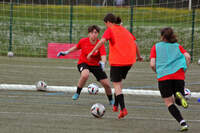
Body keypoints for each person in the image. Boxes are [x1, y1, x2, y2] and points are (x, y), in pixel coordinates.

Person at [87, 13, 143, 119]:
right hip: (129, 61)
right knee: (119, 83)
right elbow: (135, 44)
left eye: (105, 24)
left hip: (118, 62)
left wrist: (92, 51)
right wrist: (139, 57)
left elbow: (102, 41)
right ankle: (116, 105)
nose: (106, 26)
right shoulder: (124, 29)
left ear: (108, 22)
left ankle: (123, 109)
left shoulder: (110, 30)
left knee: (117, 86)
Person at [57, 25, 114, 105]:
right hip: (84, 63)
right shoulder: (83, 41)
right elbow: (76, 47)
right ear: (89, 34)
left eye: (96, 32)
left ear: (98, 34)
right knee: (85, 75)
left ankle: (111, 100)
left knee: (106, 84)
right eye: (92, 32)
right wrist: (66, 52)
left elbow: (103, 57)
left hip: (96, 65)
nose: (94, 34)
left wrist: (103, 63)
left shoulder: (100, 44)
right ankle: (77, 93)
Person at [150, 27, 191, 131]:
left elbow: (152, 64)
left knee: (169, 103)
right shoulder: (178, 46)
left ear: (162, 36)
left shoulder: (156, 47)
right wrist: (184, 68)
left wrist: (158, 71)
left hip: (164, 77)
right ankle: (181, 98)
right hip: (178, 75)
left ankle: (183, 123)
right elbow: (188, 56)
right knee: (178, 99)